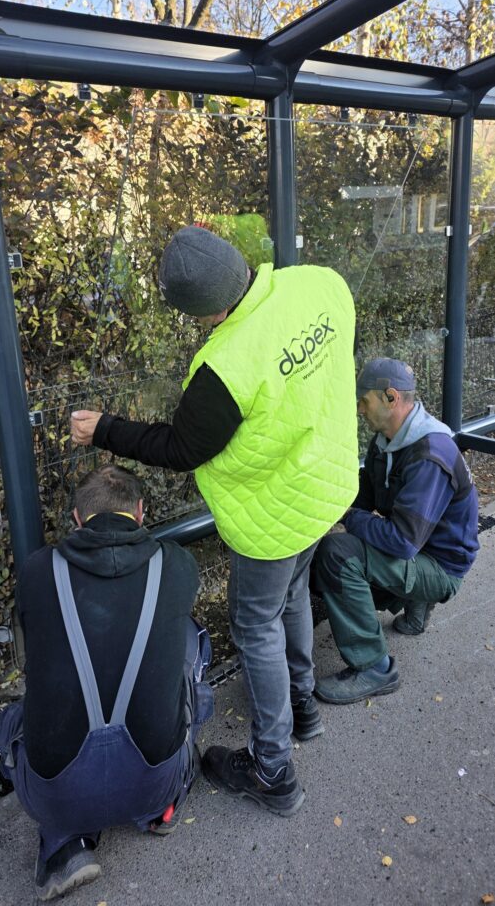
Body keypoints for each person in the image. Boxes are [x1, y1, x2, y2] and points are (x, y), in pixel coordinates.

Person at [71, 225, 358, 817]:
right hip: (325, 490)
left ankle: (273, 768)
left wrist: (103, 429)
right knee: (294, 596)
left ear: (208, 309)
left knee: (256, 625)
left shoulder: (224, 367)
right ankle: (302, 708)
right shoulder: (320, 286)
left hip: (273, 518)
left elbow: (181, 448)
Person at [0, 464, 212, 901]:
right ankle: (161, 812)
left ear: (77, 518)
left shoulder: (37, 573)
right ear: (142, 512)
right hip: (155, 781)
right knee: (191, 641)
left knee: (7, 723)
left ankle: (65, 844)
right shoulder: (177, 565)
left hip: (55, 796)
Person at [313, 357, 479, 705]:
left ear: (390, 397)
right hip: (424, 547)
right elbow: (366, 496)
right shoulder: (386, 441)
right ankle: (417, 607)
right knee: (339, 552)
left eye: (364, 401)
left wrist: (346, 520)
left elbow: (402, 541)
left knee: (336, 556)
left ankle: (374, 667)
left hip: (441, 567)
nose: (359, 410)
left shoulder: (430, 454)